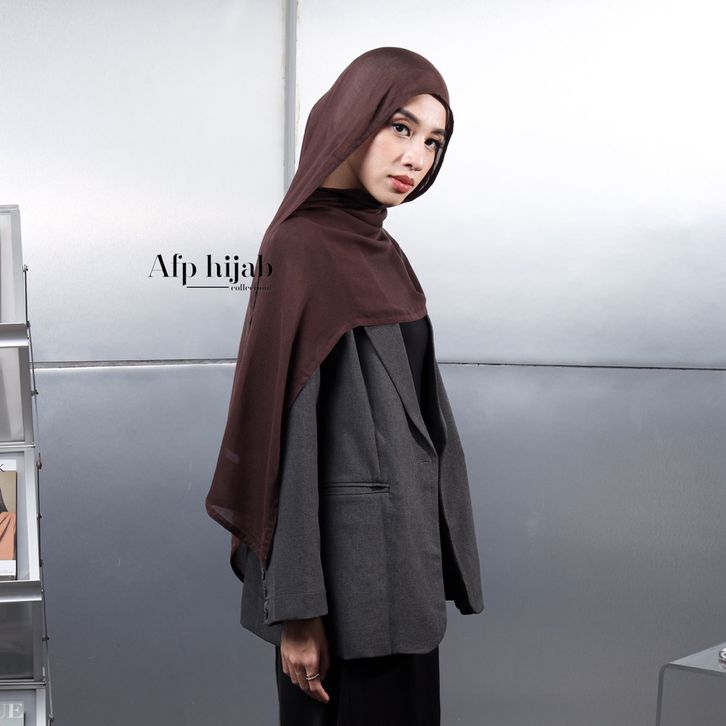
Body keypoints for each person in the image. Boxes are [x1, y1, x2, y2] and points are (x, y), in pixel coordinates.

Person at [205, 47, 484, 726]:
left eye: (433, 142)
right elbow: (285, 438)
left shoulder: (380, 248)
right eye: (400, 127)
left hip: (404, 571)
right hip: (342, 594)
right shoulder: (301, 247)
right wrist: (297, 612)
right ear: (354, 118)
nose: (416, 157)